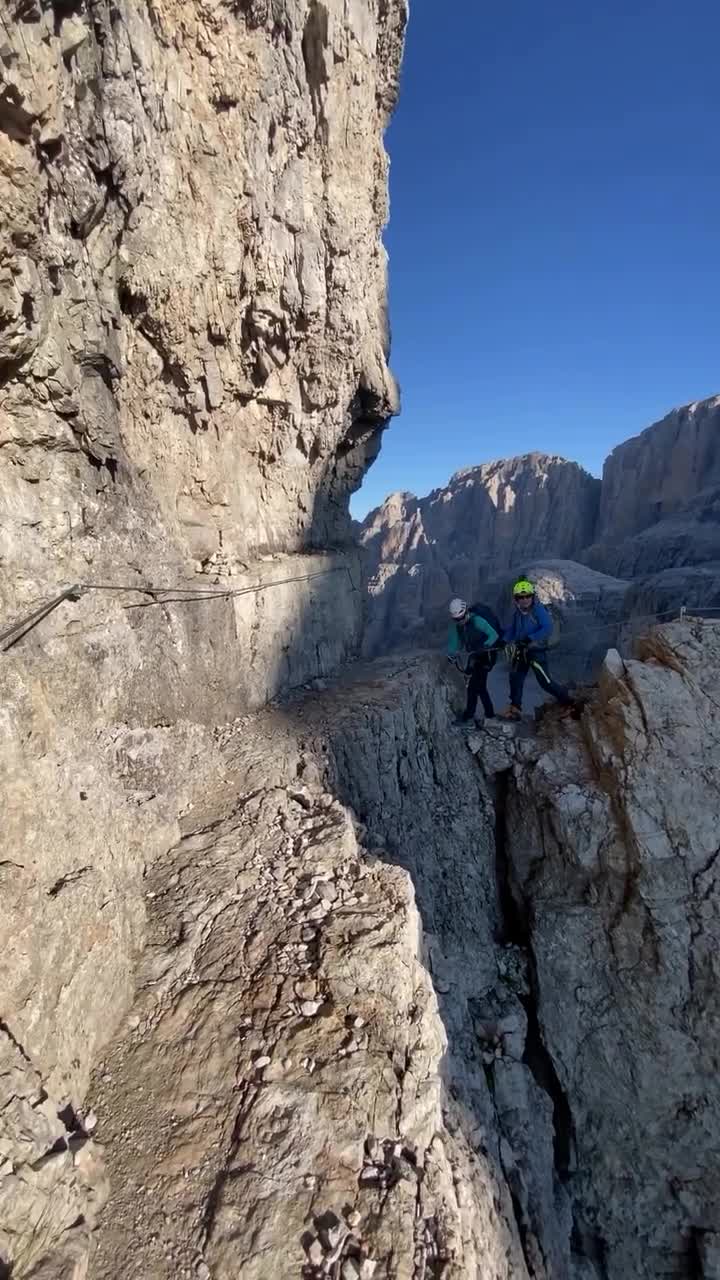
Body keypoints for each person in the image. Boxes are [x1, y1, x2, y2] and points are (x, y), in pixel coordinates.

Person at [502, 578, 573, 720]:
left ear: (532, 596)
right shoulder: (518, 613)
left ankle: (569, 702)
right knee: (516, 678)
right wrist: (503, 641)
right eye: (521, 597)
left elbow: (547, 628)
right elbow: (514, 630)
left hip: (536, 652)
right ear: (516, 599)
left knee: (545, 682)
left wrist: (529, 638)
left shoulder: (538, 609)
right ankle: (515, 708)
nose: (524, 600)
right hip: (522, 651)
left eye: (527, 596)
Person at [446, 597, 501, 724]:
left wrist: (485, 646)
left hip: (487, 655)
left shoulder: (477, 621)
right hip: (475, 656)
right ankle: (489, 714)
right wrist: (451, 655)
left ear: (465, 612)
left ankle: (469, 716)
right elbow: (454, 644)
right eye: (456, 619)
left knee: (475, 687)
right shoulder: (458, 627)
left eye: (461, 618)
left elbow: (493, 635)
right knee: (479, 686)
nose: (459, 621)